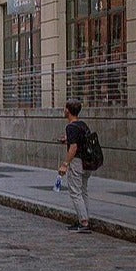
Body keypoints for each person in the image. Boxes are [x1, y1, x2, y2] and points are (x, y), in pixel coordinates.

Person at [59, 99, 91, 233]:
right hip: (87, 162)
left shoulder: (71, 127)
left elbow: (73, 147)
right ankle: (83, 218)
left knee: (75, 192)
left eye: (65, 108)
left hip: (77, 162)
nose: (64, 110)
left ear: (68, 110)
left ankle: (83, 222)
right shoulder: (82, 125)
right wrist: (67, 139)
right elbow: (80, 140)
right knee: (83, 191)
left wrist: (65, 164)